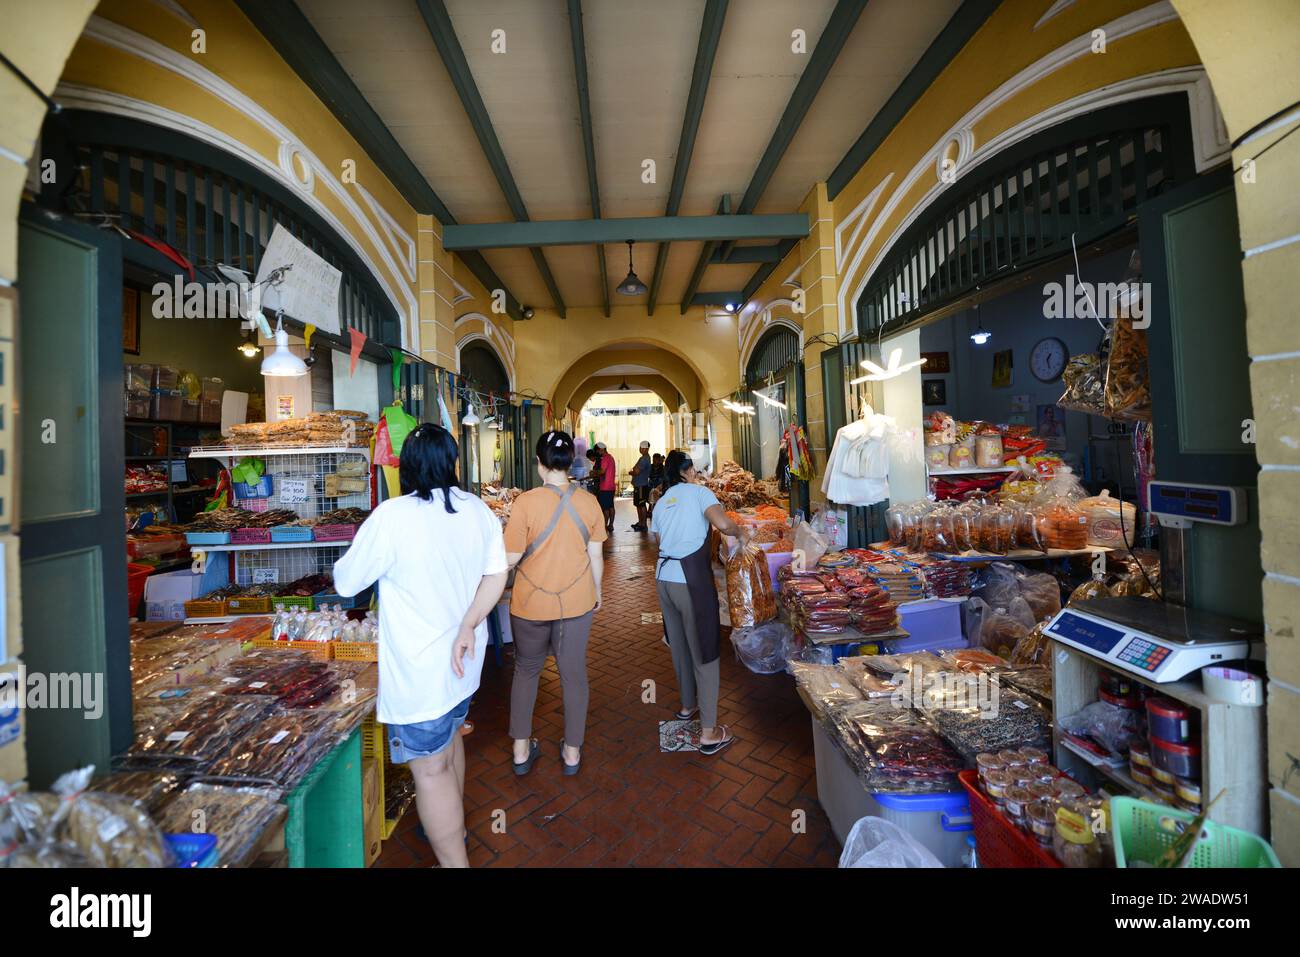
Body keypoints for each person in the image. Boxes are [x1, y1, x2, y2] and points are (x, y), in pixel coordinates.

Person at [333, 424, 507, 868]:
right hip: (465, 663)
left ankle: (454, 859)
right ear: (452, 462)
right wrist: (469, 624)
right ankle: (455, 828)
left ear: (405, 468)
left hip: (421, 672)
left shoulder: (393, 516)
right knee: (450, 744)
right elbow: (496, 574)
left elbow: (347, 580)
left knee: (430, 770)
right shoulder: (476, 509)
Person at [503, 430, 606, 776]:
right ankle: (572, 753)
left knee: (526, 670)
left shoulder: (525, 503)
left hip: (529, 604)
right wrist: (597, 591)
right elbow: (596, 557)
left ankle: (520, 750)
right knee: (574, 675)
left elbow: (511, 558)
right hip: (575, 605)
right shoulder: (589, 503)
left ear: (540, 463)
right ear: (569, 463)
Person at [650, 450, 751, 755]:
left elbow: (658, 540)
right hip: (689, 579)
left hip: (663, 579)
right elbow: (721, 523)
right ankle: (708, 732)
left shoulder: (661, 501)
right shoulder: (699, 492)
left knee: (679, 645)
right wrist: (740, 530)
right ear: (688, 471)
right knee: (705, 647)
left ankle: (687, 706)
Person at [630, 440, 652, 532]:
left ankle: (643, 525)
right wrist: (634, 470)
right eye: (640, 448)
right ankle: (640, 523)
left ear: (647, 449)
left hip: (641, 486)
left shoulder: (644, 459)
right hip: (639, 485)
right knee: (638, 505)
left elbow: (636, 471)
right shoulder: (644, 458)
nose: (641, 449)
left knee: (641, 505)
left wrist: (631, 472)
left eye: (642, 448)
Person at [594, 441, 616, 533]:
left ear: (602, 449)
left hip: (605, 487)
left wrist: (594, 473)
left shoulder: (605, 458)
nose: (598, 453)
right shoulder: (611, 457)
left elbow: (602, 471)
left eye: (598, 451)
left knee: (605, 508)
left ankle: (604, 526)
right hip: (611, 486)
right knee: (610, 506)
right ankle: (610, 525)